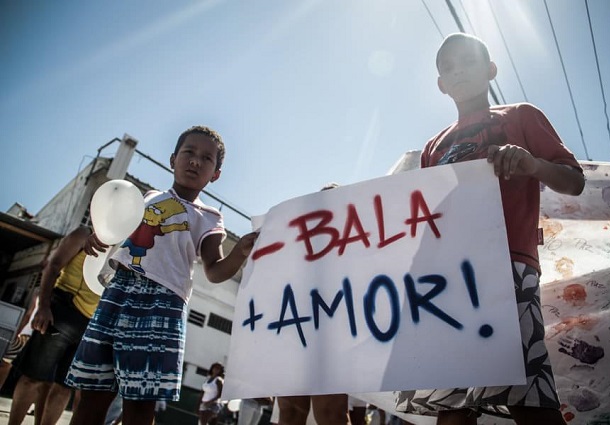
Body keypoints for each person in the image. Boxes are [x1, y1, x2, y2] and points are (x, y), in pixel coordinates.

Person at [395, 33, 585, 425]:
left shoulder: (521, 116)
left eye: (467, 60)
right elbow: (429, 216)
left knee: (527, 397)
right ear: (440, 85)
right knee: (452, 407)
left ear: (490, 70)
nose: (458, 69)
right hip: (449, 281)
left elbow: (573, 180)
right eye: (447, 66)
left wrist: (532, 165)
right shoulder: (434, 146)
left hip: (507, 267)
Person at [64, 125, 259, 425]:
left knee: (141, 403)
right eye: (188, 152)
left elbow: (216, 270)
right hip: (118, 292)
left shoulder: (210, 218)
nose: (195, 161)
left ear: (215, 174)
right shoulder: (146, 197)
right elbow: (115, 234)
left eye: (206, 159)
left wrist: (241, 252)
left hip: (163, 305)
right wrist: (98, 238)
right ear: (172, 159)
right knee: (93, 393)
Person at [276, 182, 352, 425]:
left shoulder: (358, 246)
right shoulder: (293, 246)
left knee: (332, 414)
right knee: (289, 413)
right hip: (294, 332)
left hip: (335, 336)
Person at [7, 226, 98, 425]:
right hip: (62, 310)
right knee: (33, 377)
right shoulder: (84, 234)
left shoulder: (125, 246)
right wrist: (44, 306)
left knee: (64, 387)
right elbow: (53, 265)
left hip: (91, 324)